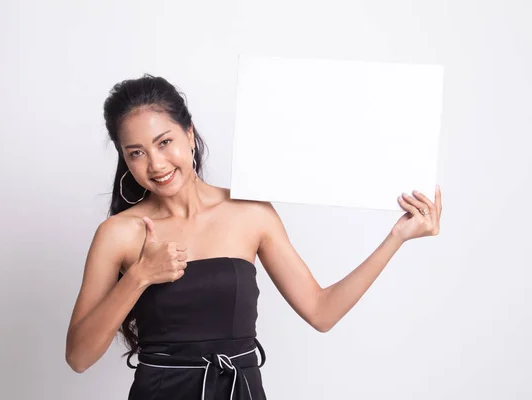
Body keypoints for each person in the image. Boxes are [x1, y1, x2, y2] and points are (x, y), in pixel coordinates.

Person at [65, 74, 443, 399]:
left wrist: (396, 237)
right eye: (136, 153)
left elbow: (321, 311)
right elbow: (79, 357)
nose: (156, 164)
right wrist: (140, 276)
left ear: (189, 134)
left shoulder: (250, 212)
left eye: (165, 143)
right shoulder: (118, 234)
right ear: (125, 159)